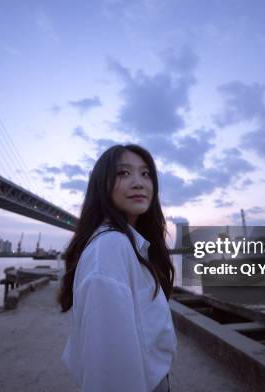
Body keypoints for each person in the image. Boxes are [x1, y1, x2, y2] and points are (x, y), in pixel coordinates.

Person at [57, 144, 177, 392]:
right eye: (123, 173)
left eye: (146, 174)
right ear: (101, 185)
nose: (138, 183)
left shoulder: (128, 245)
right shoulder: (111, 247)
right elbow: (110, 370)